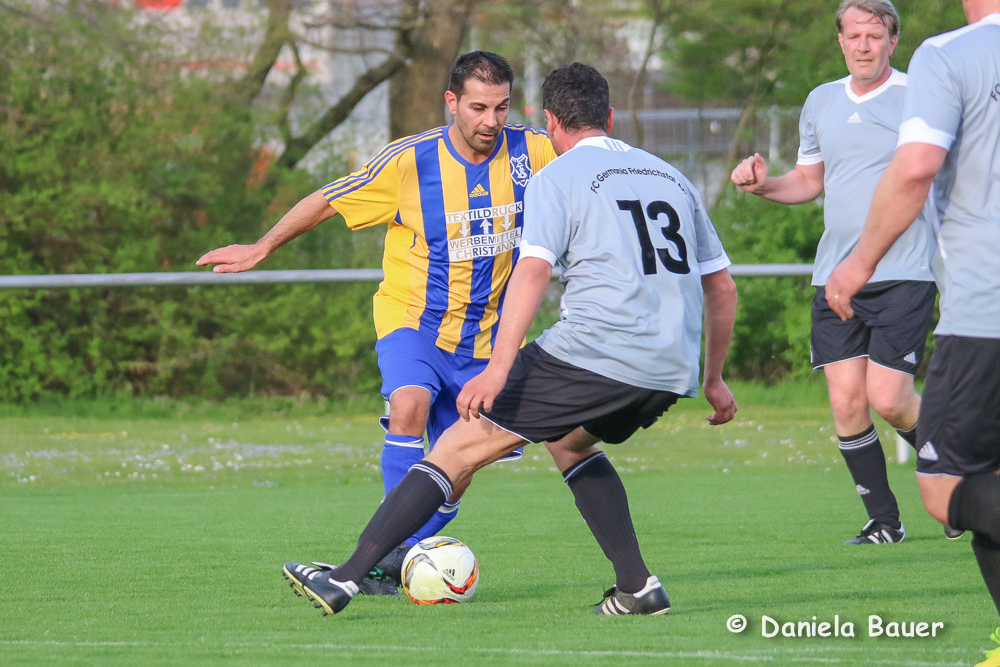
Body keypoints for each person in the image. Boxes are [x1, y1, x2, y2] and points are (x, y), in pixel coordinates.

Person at [282, 62, 739, 617]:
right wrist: (712, 378)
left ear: (549, 121)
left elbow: (532, 272)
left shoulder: (555, 174)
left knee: (454, 447)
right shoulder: (669, 175)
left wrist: (499, 369)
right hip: (670, 367)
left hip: (594, 351)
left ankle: (346, 579)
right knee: (570, 444)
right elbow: (720, 286)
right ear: (611, 117)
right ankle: (638, 588)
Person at [198, 51, 556, 595]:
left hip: (489, 338)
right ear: (451, 102)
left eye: (502, 107)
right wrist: (261, 245)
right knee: (407, 403)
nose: (491, 121)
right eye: (479, 107)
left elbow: (591, 169)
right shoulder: (410, 161)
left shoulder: (533, 150)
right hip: (413, 319)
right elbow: (328, 200)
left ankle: (388, 558)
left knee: (470, 458)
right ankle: (387, 559)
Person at [823, 1, 1000, 662]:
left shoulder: (949, 55)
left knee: (947, 486)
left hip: (986, 310)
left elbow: (917, 166)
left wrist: (859, 260)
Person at [730, 0, 944, 545]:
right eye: (854, 35)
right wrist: (762, 185)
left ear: (893, 41)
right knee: (847, 401)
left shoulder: (919, 95)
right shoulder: (821, 101)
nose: (864, 45)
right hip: (836, 274)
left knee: (890, 397)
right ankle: (885, 523)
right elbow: (808, 180)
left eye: (875, 35)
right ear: (841, 41)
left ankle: (960, 476)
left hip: (905, 269)